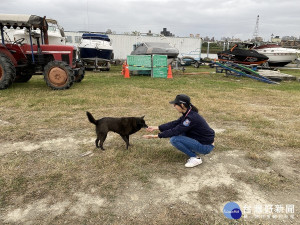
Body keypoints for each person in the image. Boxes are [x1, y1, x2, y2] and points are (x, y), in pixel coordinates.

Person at [143, 94, 215, 168]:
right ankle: (195, 148)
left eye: (175, 104)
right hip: (204, 142)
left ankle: (195, 158)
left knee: (174, 139)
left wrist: (156, 136)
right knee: (179, 132)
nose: (174, 106)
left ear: (182, 105)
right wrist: (157, 127)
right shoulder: (188, 113)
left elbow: (175, 131)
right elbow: (175, 123)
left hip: (206, 147)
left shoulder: (190, 118)